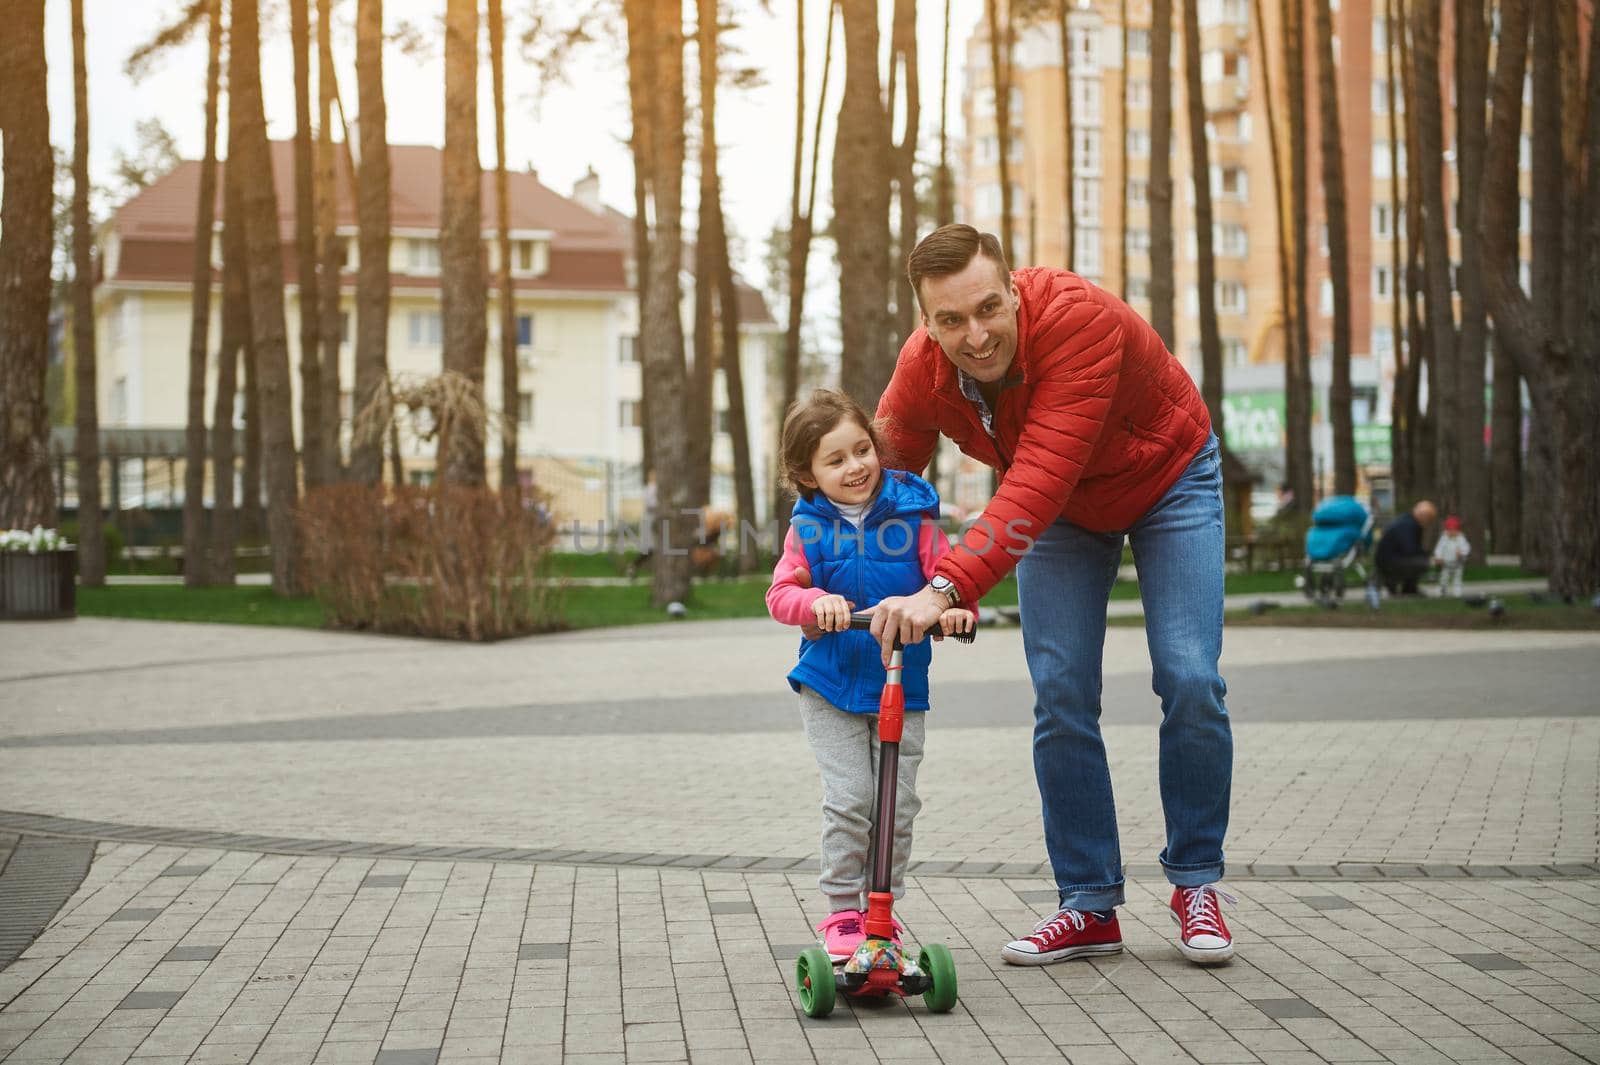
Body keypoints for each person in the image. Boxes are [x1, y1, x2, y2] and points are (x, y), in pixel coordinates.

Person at [867, 224, 1237, 966]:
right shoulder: (924, 369)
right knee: (1062, 690)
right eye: (950, 320)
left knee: (1189, 674)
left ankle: (1196, 881)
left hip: (1168, 478)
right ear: (925, 322)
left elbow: (1035, 479)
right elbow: (889, 480)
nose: (975, 335)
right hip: (1064, 508)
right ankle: (1089, 901)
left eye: (988, 308)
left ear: (1014, 288)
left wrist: (944, 587)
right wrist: (837, 567)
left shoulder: (1076, 320)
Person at [765, 389, 975, 964]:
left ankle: (880, 911)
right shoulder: (808, 525)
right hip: (830, 685)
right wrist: (815, 603)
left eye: (862, 450)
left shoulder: (914, 512)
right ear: (805, 472)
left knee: (896, 806)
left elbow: (946, 576)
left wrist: (955, 609)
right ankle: (841, 912)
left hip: (902, 685)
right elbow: (780, 593)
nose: (855, 466)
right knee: (853, 797)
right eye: (835, 460)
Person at [1374, 499, 1438, 595]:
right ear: (1424, 517)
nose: (1428, 523)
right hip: (1389, 562)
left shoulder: (1406, 520)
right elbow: (1409, 549)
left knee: (1421, 560)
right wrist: (1429, 557)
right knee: (1423, 562)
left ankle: (1399, 585)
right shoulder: (1409, 525)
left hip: (1386, 559)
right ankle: (1405, 587)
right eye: (1429, 519)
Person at [1431, 514, 1471, 597]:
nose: (1452, 532)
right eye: (1450, 530)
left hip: (1458, 563)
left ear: (1458, 530)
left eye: (1454, 530)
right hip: (1446, 563)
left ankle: (1457, 593)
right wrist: (1438, 557)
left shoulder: (1461, 538)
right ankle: (1442, 591)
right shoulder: (1444, 538)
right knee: (1444, 578)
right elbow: (1439, 548)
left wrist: (1462, 553)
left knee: (1457, 579)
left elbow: (1466, 548)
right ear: (1447, 530)